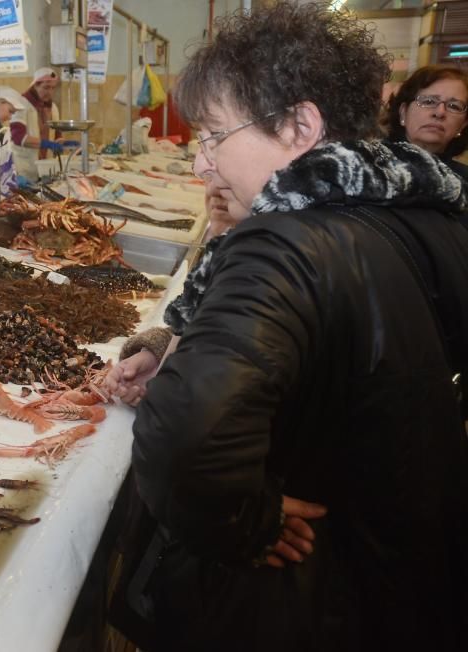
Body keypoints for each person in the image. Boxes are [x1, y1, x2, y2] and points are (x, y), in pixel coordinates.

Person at [106, 5, 468, 651]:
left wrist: (247, 526)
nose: (201, 164)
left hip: (300, 596)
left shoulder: (285, 242)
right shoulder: (423, 210)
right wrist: (184, 343)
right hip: (402, 573)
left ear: (302, 124)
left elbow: (188, 433)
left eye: (215, 134)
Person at [384, 65, 468, 179]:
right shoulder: (370, 166)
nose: (440, 113)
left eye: (454, 106)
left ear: (462, 125)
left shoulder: (463, 181)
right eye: (428, 101)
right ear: (403, 112)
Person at [10, 67, 65, 181]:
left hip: (46, 168)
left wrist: (60, 142)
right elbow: (18, 137)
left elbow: (57, 133)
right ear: (35, 85)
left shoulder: (52, 107)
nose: (49, 92)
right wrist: (46, 144)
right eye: (46, 87)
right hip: (25, 169)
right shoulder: (21, 104)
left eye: (52, 88)